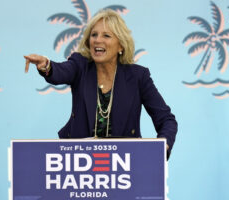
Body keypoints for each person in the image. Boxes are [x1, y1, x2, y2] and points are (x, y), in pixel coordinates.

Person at [24, 9, 177, 158]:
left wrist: (162, 146)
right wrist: (47, 65)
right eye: (94, 34)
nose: (98, 40)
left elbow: (166, 119)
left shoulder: (138, 76)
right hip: (79, 160)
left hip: (125, 162)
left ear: (121, 46)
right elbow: (60, 72)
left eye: (106, 35)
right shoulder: (80, 65)